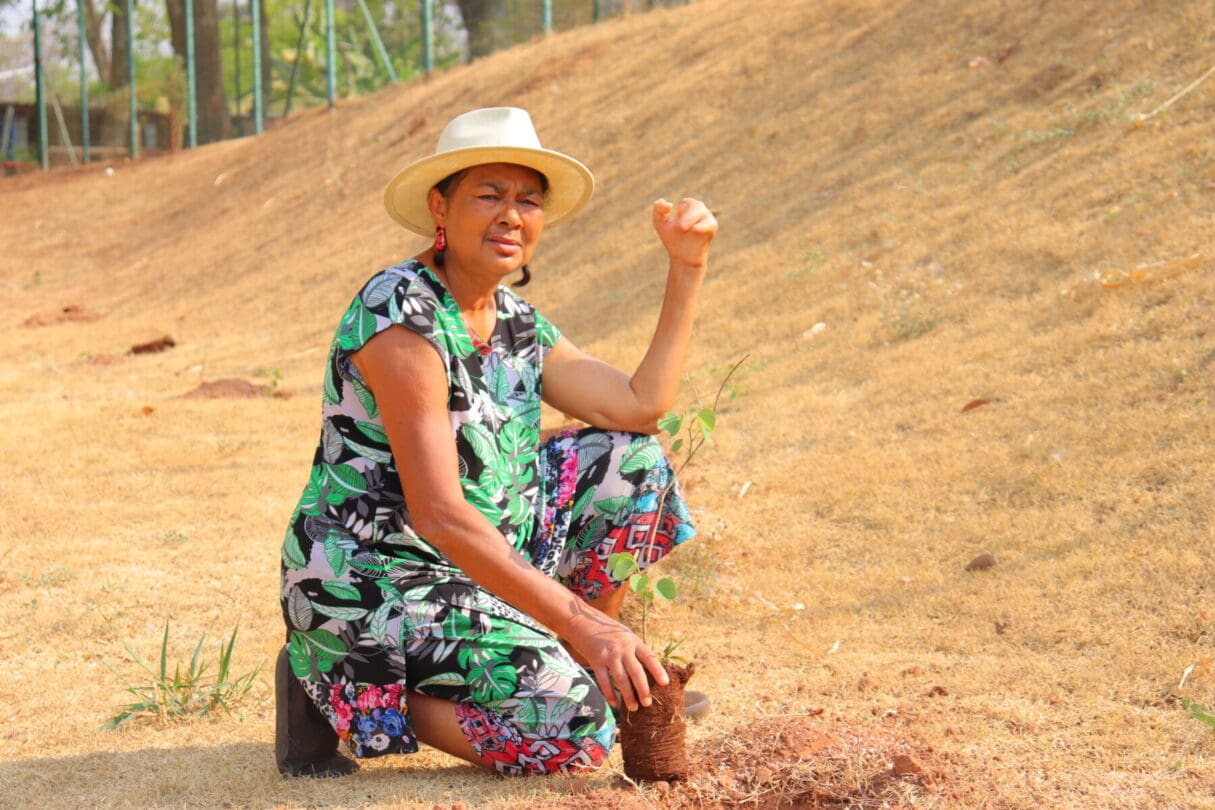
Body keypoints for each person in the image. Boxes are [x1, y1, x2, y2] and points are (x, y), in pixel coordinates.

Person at [276, 106, 716, 778]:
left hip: (479, 561)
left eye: (527, 201)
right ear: (439, 208)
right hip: (378, 579)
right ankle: (334, 692)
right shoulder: (401, 316)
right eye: (489, 195)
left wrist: (686, 268)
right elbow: (438, 515)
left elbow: (638, 407)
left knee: (630, 460)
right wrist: (583, 622)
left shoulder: (513, 320)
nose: (511, 215)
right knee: (574, 736)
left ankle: (585, 668)